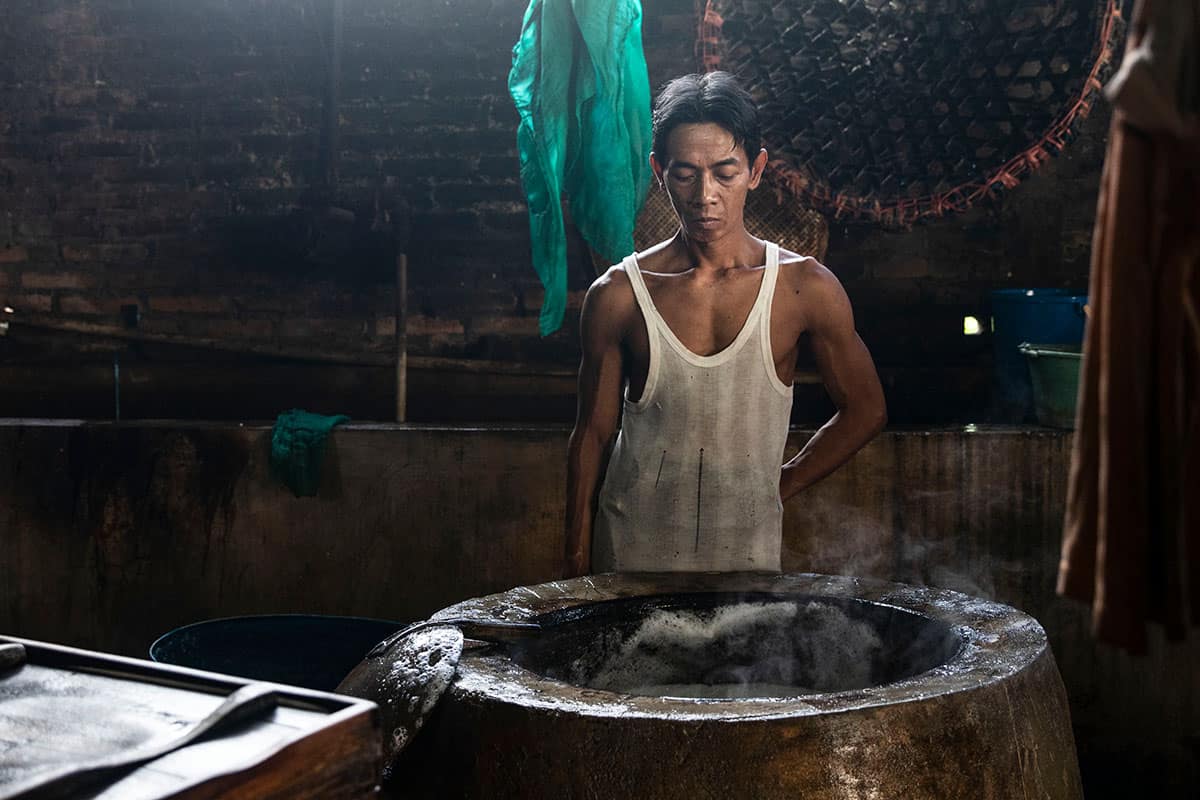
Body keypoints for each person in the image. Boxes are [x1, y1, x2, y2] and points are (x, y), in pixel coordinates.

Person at [564, 71, 886, 577]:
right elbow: (592, 437)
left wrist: (780, 485)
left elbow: (866, 410)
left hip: (747, 566)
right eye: (685, 173)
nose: (704, 194)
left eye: (724, 172)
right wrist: (575, 571)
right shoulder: (619, 294)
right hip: (628, 554)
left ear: (756, 170)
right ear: (659, 172)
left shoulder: (804, 288)